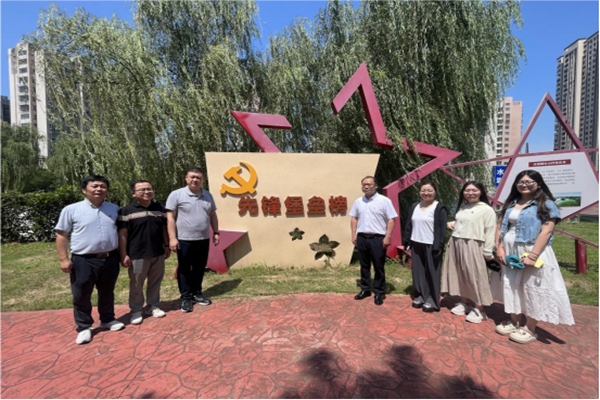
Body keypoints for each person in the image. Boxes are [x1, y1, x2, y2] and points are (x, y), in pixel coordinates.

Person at [493, 170, 574, 344]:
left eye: (529, 181)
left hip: (532, 249)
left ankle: (530, 327)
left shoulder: (546, 204)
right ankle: (514, 320)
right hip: (509, 249)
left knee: (533, 286)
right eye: (521, 182)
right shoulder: (511, 203)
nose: (524, 185)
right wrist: (499, 247)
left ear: (538, 184)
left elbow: (546, 231)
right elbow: (500, 226)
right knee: (512, 284)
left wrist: (533, 256)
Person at [55, 175, 125, 345]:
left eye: (103, 186)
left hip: (109, 258)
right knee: (81, 293)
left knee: (107, 291)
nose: (99, 189)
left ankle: (107, 319)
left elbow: (121, 233)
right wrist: (63, 259)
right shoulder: (71, 210)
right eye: (94, 186)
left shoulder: (114, 209)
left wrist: (123, 255)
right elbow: (61, 235)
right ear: (84, 190)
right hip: (83, 259)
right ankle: (84, 326)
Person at [441, 181, 496, 323]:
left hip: (474, 244)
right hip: (456, 242)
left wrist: (488, 251)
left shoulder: (486, 209)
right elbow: (465, 222)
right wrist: (452, 224)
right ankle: (464, 302)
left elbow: (490, 230)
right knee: (461, 274)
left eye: (474, 190)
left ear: (481, 192)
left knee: (476, 276)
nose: (470, 193)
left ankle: (480, 308)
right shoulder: (464, 206)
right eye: (467, 190)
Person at [166, 167, 219, 313]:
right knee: (184, 269)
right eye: (192, 177)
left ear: (202, 180)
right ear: (186, 178)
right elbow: (170, 217)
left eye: (198, 177)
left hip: (203, 238)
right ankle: (186, 297)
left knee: (199, 267)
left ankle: (197, 293)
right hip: (184, 239)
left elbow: (213, 215)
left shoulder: (207, 195)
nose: (195, 180)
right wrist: (172, 238)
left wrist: (216, 232)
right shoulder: (176, 195)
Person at [118, 180, 171, 325]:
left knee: (155, 281)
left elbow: (164, 229)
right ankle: (136, 310)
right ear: (133, 193)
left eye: (149, 189)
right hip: (137, 253)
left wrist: (166, 245)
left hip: (157, 252)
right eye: (142, 190)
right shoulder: (126, 211)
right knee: (136, 284)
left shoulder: (159, 208)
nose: (147, 192)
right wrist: (123, 254)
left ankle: (152, 305)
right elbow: (122, 234)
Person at [350, 176, 398, 305]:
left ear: (376, 185)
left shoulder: (384, 201)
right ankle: (365, 289)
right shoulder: (358, 201)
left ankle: (379, 291)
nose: (366, 187)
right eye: (364, 185)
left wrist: (388, 236)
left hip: (378, 238)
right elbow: (354, 218)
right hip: (362, 237)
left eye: (369, 184)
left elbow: (391, 219)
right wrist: (353, 234)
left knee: (378, 266)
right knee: (364, 265)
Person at [403, 182, 448, 312]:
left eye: (429, 190)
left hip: (431, 245)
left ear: (435, 192)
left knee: (432, 272)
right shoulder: (415, 206)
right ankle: (420, 295)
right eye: (423, 190)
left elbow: (442, 229)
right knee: (418, 272)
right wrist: (407, 240)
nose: (426, 193)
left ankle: (432, 299)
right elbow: (409, 224)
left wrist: (439, 246)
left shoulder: (439, 208)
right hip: (416, 243)